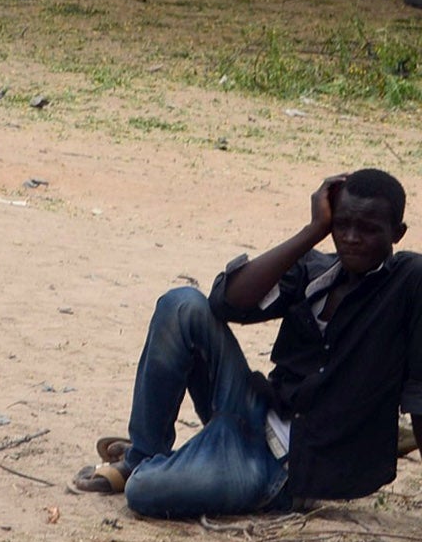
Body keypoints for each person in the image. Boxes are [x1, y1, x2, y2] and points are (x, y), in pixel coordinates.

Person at [73, 170, 422, 516]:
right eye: (341, 225)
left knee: (144, 492)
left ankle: (192, 461)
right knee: (181, 305)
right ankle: (143, 456)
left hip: (285, 468)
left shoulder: (408, 283)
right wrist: (312, 231)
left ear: (398, 233)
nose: (351, 238)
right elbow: (227, 303)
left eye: (368, 230)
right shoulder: (316, 272)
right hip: (254, 411)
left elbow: (419, 394)